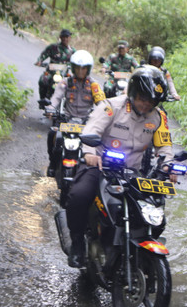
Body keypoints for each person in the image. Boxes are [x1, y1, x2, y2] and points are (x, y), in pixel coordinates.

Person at [64, 65, 176, 268]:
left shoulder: (158, 118)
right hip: (100, 167)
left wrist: (168, 165)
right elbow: (92, 130)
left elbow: (165, 146)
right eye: (143, 98)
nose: (146, 105)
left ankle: (141, 250)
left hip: (134, 173)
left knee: (155, 209)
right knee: (78, 196)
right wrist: (89, 154)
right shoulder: (110, 107)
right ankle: (78, 244)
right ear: (133, 94)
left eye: (151, 101)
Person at [45, 50, 106, 177]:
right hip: (67, 120)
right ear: (73, 68)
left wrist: (105, 114)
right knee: (53, 135)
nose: (80, 71)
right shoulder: (65, 82)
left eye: (83, 69)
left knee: (97, 144)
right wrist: (50, 108)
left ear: (88, 69)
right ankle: (52, 164)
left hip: (86, 122)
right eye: (77, 68)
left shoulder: (94, 85)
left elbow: (102, 104)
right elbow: (56, 97)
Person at [35, 29, 76, 100]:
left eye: (67, 37)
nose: (65, 39)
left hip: (64, 74)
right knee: (42, 80)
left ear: (70, 38)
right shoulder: (53, 47)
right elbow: (44, 54)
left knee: (74, 84)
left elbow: (77, 61)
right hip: (51, 72)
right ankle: (42, 100)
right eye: (63, 37)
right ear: (60, 37)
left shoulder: (72, 51)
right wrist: (39, 61)